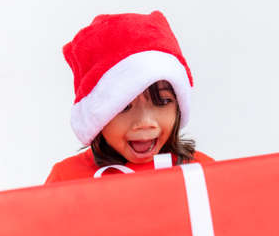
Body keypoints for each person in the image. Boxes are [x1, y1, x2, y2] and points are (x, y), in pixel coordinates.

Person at [45, 11, 214, 184]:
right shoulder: (67, 179)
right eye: (124, 107)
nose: (145, 121)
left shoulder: (201, 172)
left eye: (162, 102)